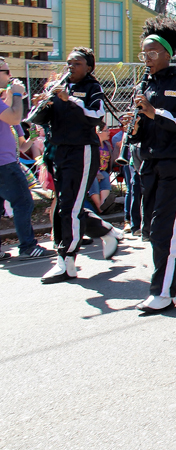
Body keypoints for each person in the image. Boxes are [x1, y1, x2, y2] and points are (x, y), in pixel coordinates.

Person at [124, 16, 176, 312]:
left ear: (165, 54)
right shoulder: (143, 85)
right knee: (153, 227)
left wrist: (155, 114)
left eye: (151, 53)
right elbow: (146, 124)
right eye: (142, 54)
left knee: (165, 230)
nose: (145, 59)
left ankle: (164, 292)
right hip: (149, 163)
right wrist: (135, 128)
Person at [29, 49, 121, 282]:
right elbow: (38, 119)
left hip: (81, 152)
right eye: (69, 63)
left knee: (69, 207)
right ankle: (106, 231)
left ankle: (66, 260)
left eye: (77, 63)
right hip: (58, 151)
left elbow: (96, 117)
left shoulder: (92, 88)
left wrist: (69, 100)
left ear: (88, 67)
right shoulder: (60, 85)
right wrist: (42, 105)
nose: (71, 67)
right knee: (67, 206)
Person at [0, 58, 54, 261]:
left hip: (6, 162)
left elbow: (21, 145)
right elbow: (14, 117)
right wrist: (15, 94)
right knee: (23, 202)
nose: (10, 75)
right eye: (6, 71)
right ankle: (28, 247)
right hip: (5, 165)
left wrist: (32, 138)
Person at [88, 123, 113, 213]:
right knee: (93, 179)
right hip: (91, 172)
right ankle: (99, 207)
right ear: (98, 132)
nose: (108, 132)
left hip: (103, 171)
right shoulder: (92, 145)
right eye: (106, 130)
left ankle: (104, 204)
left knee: (105, 176)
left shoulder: (107, 145)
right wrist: (96, 173)